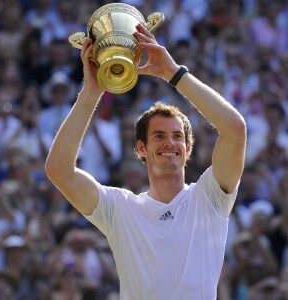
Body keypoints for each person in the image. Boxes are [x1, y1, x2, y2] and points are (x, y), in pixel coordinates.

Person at [45, 23, 247, 300]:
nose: (170, 143)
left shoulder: (209, 197)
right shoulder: (120, 209)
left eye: (178, 137)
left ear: (188, 149)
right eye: (160, 136)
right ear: (141, 148)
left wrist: (173, 73)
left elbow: (235, 129)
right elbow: (59, 170)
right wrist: (91, 92)